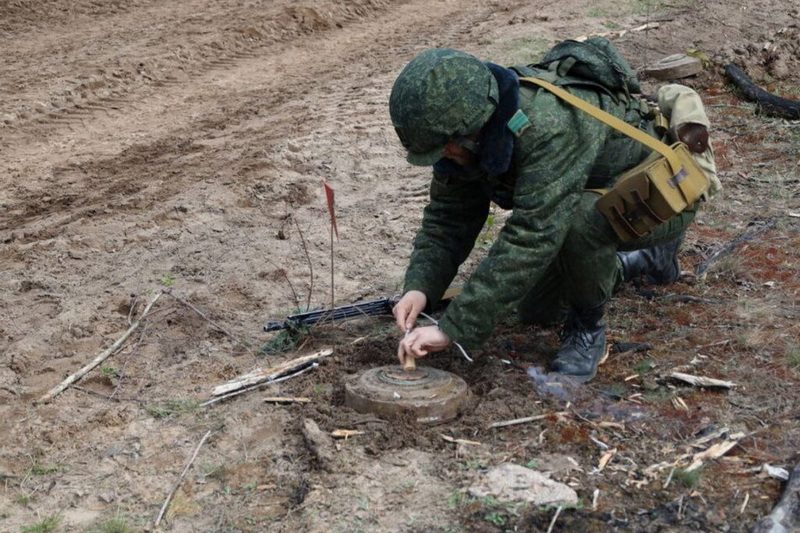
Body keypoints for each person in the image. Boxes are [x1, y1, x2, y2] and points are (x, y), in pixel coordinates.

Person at [390, 45, 719, 382]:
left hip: (659, 198)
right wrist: (421, 288)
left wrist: (453, 328)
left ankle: (587, 331)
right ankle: (645, 260)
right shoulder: (465, 135)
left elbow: (534, 234)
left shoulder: (547, 123)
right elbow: (448, 218)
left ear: (472, 125)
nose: (443, 156)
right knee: (538, 311)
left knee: (579, 222)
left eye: (445, 148)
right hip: (588, 200)